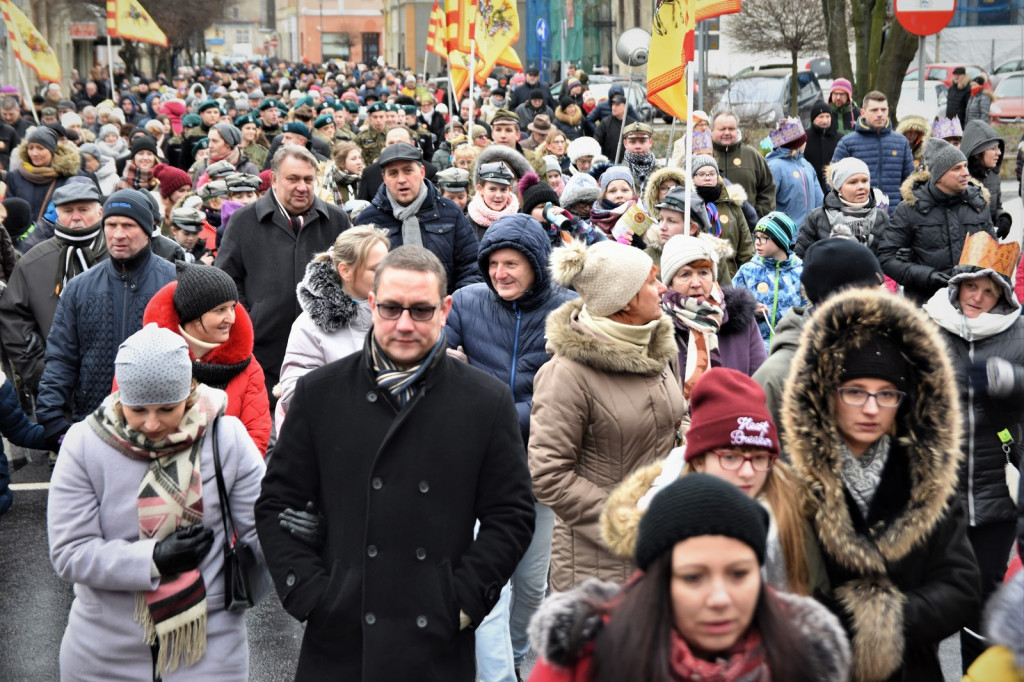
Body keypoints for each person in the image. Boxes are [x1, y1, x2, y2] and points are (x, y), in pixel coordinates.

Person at [255, 245, 535, 680]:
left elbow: (511, 514)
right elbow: (276, 502)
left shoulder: (485, 400)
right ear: (371, 305)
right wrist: (309, 593)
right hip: (341, 638)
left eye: (421, 311)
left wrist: (463, 601)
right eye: (391, 309)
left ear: (445, 310)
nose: (404, 324)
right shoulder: (319, 393)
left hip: (437, 637)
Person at [782, 287, 982, 682]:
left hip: (912, 670)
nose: (872, 409)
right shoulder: (792, 479)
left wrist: (883, 621)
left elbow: (961, 587)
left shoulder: (928, 480)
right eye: (855, 392)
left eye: (886, 394)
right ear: (828, 395)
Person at [47, 324, 266, 680]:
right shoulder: (84, 444)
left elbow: (263, 529)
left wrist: (303, 535)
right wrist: (153, 560)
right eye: (137, 409)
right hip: (103, 656)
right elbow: (70, 552)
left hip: (210, 652)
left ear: (190, 392)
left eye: (167, 408)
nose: (151, 424)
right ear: (120, 397)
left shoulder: (226, 438)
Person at [527, 474, 851, 682]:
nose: (720, 598)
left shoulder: (802, 655)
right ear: (658, 581)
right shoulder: (583, 654)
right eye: (694, 577)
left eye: (739, 574)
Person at [446, 214, 577, 681]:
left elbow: (564, 397)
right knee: (489, 579)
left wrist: (490, 408)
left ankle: (520, 653)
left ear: (537, 265)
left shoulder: (569, 309)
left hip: (540, 467)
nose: (501, 273)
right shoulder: (466, 302)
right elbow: (441, 372)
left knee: (531, 579)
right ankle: (494, 668)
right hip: (477, 468)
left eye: (512, 263)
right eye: (494, 263)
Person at [530, 240, 685, 592]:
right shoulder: (566, 374)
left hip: (663, 550)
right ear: (626, 299)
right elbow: (549, 475)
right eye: (651, 281)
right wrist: (629, 521)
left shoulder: (657, 346)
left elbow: (677, 418)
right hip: (598, 568)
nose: (663, 289)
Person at [603, 368, 815, 594]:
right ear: (699, 461)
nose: (747, 472)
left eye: (760, 457)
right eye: (731, 457)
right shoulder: (663, 529)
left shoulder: (794, 510)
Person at [921, 232, 1024, 671]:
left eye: (989, 291)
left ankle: (976, 676)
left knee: (983, 594)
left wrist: (1009, 380)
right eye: (971, 287)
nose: (977, 297)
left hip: (995, 490)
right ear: (956, 285)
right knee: (927, 595)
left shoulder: (1017, 332)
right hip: (934, 492)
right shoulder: (926, 325)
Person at [35, 189, 177, 443]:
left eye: (128, 225)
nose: (118, 234)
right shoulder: (80, 288)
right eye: (111, 225)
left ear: (147, 229)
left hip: (160, 426)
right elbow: (61, 357)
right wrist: (51, 415)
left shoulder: (175, 283)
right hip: (94, 422)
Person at [216, 145, 350, 400]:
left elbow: (350, 279)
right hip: (262, 354)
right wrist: (248, 321)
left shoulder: (336, 220)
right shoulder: (244, 221)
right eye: (293, 179)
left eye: (308, 179)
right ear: (274, 180)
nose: (302, 186)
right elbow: (226, 280)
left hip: (322, 351)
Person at [752, 238, 885, 430]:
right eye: (873, 292)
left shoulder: (884, 357)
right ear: (840, 300)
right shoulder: (778, 374)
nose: (885, 300)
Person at [139, 263, 271, 456]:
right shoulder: (144, 358)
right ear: (193, 314)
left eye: (232, 308)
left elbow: (256, 436)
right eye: (220, 310)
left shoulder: (249, 367)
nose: (231, 318)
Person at [0, 181, 108, 399]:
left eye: (83, 210)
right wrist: (40, 371)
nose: (76, 217)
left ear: (100, 211)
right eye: (68, 211)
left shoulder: (120, 254)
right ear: (57, 214)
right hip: (54, 389)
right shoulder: (32, 262)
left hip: (113, 385)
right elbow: (13, 320)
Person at [275, 226, 390, 430]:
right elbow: (294, 394)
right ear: (345, 271)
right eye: (376, 269)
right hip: (337, 438)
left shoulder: (401, 315)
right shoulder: (309, 326)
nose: (387, 276)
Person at [876, 137, 994, 304]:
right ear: (939, 176)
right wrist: (926, 275)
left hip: (973, 303)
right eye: (957, 168)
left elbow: (993, 253)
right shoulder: (910, 208)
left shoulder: (978, 203)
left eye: (965, 166)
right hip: (927, 304)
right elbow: (887, 257)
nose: (965, 173)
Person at [354, 142, 481, 293]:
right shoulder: (368, 220)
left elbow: (471, 267)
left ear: (421, 172)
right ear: (384, 178)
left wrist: (455, 308)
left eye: (408, 171)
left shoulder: (450, 212)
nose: (401, 179)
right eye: (393, 173)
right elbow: (359, 278)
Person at [660, 234, 766, 395]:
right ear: (670, 283)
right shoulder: (659, 328)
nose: (696, 283)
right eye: (685, 274)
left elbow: (759, 384)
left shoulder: (739, 317)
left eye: (703, 273)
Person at [733, 212, 807, 351]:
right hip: (754, 348)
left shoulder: (801, 273)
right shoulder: (747, 271)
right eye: (756, 237)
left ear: (781, 240)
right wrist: (750, 308)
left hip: (791, 349)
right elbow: (731, 305)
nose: (757, 242)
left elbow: (809, 311)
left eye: (765, 238)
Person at [830, 91, 914, 212]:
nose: (880, 114)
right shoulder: (847, 143)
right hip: (857, 216)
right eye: (874, 110)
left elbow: (910, 181)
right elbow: (833, 182)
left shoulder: (901, 142)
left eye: (883, 110)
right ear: (863, 113)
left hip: (894, 217)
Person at [795, 157, 889, 258]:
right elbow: (801, 257)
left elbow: (887, 257)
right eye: (853, 182)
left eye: (865, 181)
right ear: (839, 188)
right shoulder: (818, 217)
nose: (861, 186)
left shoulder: (881, 217)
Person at [6, 126, 91, 224]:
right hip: (23, 237)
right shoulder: (16, 176)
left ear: (52, 150)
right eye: (30, 148)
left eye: (40, 148)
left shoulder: (70, 176)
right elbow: (9, 212)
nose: (34, 153)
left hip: (58, 235)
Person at [710, 112, 776, 217]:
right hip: (713, 226)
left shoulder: (752, 155)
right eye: (722, 129)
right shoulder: (704, 156)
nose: (727, 132)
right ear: (712, 131)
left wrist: (759, 216)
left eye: (731, 129)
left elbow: (767, 188)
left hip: (748, 227)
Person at [765, 118, 823, 227]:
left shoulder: (806, 165)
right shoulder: (774, 167)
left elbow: (819, 202)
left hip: (809, 235)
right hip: (784, 236)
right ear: (799, 143)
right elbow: (766, 204)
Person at [961, 119, 1012, 238]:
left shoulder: (994, 176)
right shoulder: (961, 177)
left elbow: (996, 207)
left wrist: (1003, 217)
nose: (999, 153)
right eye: (993, 148)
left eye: (998, 148)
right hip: (967, 246)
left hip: (989, 245)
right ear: (977, 153)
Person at [805, 101, 839, 193]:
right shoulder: (804, 138)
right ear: (813, 119)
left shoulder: (840, 139)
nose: (825, 120)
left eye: (827, 116)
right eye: (821, 117)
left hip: (834, 189)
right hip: (810, 188)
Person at [593, 94, 637, 163]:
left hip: (628, 163)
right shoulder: (605, 122)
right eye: (613, 105)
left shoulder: (632, 124)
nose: (614, 107)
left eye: (617, 105)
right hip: (609, 163)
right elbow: (596, 141)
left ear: (624, 107)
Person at [317, 140, 362, 205]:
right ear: (342, 163)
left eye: (360, 158)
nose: (359, 162)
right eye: (353, 159)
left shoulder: (363, 178)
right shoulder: (326, 180)